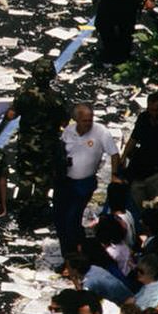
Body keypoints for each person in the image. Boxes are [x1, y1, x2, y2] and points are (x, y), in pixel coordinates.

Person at [54, 104, 117, 253]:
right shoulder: (69, 132)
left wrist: (114, 175)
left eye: (90, 120)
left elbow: (114, 154)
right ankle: (69, 253)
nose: (88, 124)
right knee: (59, 219)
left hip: (84, 183)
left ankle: (75, 253)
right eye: (84, 121)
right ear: (76, 119)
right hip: (65, 181)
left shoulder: (101, 132)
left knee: (72, 218)